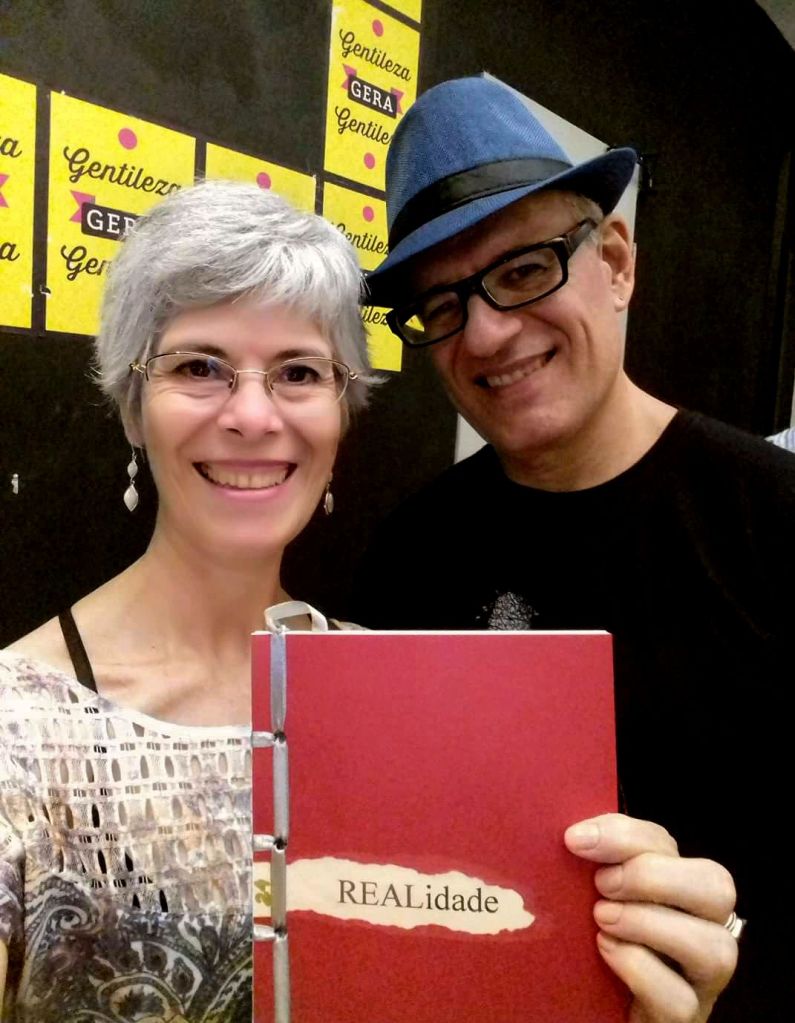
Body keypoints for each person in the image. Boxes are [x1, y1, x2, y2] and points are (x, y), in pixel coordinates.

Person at [355, 76, 795, 1021]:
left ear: (617, 262)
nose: (485, 332)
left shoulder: (774, 519)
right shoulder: (407, 555)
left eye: (523, 270)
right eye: (441, 305)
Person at [0, 179, 373, 1021]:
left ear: (340, 413)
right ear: (133, 410)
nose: (252, 415)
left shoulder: (398, 693)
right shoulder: (15, 729)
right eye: (199, 366)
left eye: (298, 372)